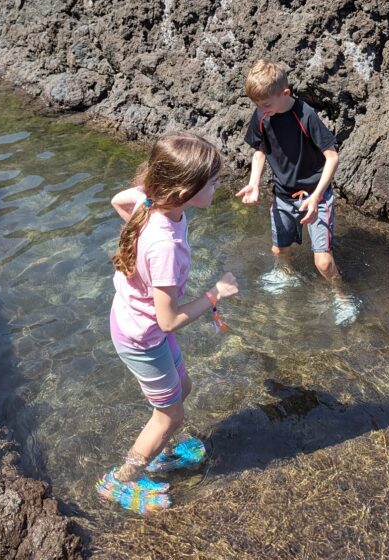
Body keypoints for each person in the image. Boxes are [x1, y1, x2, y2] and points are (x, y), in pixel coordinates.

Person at [97, 132, 238, 514]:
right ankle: (121, 480)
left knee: (184, 387)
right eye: (212, 181)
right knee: (170, 414)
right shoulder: (165, 246)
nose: (219, 185)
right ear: (184, 190)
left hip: (136, 323)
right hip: (144, 336)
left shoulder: (153, 201)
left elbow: (118, 200)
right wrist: (215, 295)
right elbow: (170, 319)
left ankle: (157, 450)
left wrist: (137, 238)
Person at [237, 58, 341, 282]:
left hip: (316, 195)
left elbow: (332, 157)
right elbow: (260, 150)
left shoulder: (306, 115)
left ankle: (341, 295)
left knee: (323, 262)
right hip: (283, 195)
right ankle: (285, 276)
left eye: (265, 104)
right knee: (279, 250)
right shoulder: (262, 115)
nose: (261, 109)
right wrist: (254, 184)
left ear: (285, 93)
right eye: (257, 105)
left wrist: (316, 197)